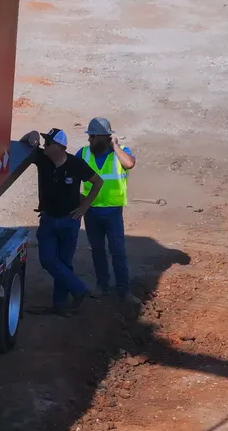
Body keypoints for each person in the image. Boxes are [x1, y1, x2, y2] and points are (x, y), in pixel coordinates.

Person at [22, 128, 105, 315]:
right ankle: (79, 289)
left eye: (48, 143)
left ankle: (59, 304)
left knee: (64, 263)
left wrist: (84, 208)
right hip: (49, 220)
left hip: (69, 221)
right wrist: (31, 134)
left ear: (60, 147)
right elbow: (23, 144)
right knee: (48, 259)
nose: (45, 145)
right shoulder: (42, 158)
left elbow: (98, 182)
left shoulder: (76, 165)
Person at [76, 117, 141, 304]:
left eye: (92, 136)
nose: (89, 140)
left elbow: (129, 164)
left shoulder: (121, 153)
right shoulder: (84, 153)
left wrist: (115, 146)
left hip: (112, 212)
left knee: (118, 251)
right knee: (97, 250)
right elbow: (71, 171)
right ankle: (102, 285)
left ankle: (124, 291)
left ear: (104, 137)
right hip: (92, 211)